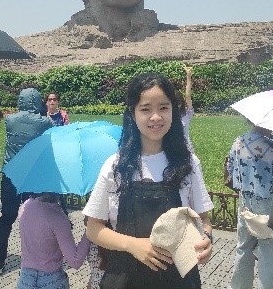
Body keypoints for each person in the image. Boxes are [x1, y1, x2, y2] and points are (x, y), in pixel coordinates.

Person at [83, 72, 214, 288]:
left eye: (163, 108)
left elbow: (203, 220)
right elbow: (93, 228)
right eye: (145, 109)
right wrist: (132, 245)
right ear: (132, 113)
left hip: (179, 280)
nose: (155, 117)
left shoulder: (188, 163)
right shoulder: (115, 166)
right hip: (125, 279)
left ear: (173, 111)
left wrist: (207, 240)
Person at [0, 88, 53, 275]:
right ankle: (33, 260)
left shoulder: (10, 120)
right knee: (32, 218)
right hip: (31, 176)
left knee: (6, 217)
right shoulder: (44, 122)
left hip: (11, 175)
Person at [226, 125, 273, 289]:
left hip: (245, 202)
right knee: (269, 254)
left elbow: (230, 169)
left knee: (243, 248)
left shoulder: (238, 142)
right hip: (269, 205)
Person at [16, 192, 90, 289]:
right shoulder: (58, 218)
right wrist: (90, 231)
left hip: (25, 280)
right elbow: (75, 261)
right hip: (51, 281)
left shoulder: (25, 207)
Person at [179, 65, 195, 152]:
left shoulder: (186, 114)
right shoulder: (167, 115)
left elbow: (188, 95)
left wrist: (188, 76)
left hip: (186, 148)